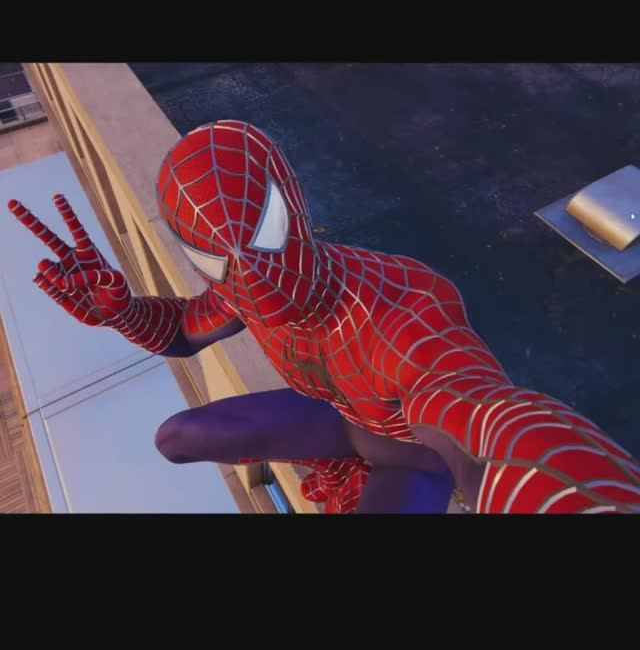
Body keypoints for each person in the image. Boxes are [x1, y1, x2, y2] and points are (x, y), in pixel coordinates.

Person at [9, 120, 640, 513]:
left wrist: (568, 490)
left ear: (296, 206)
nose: (250, 276)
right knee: (176, 439)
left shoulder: (405, 309)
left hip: (407, 453)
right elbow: (183, 330)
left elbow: (479, 410)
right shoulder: (242, 283)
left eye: (265, 232)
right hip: (339, 416)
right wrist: (123, 312)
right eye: (215, 257)